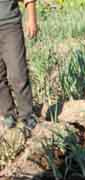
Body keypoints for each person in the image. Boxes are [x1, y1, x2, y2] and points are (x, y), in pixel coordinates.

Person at [0, 0, 38, 131]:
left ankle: (27, 114)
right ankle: (8, 114)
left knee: (18, 73)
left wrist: (32, 20)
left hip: (9, 25)